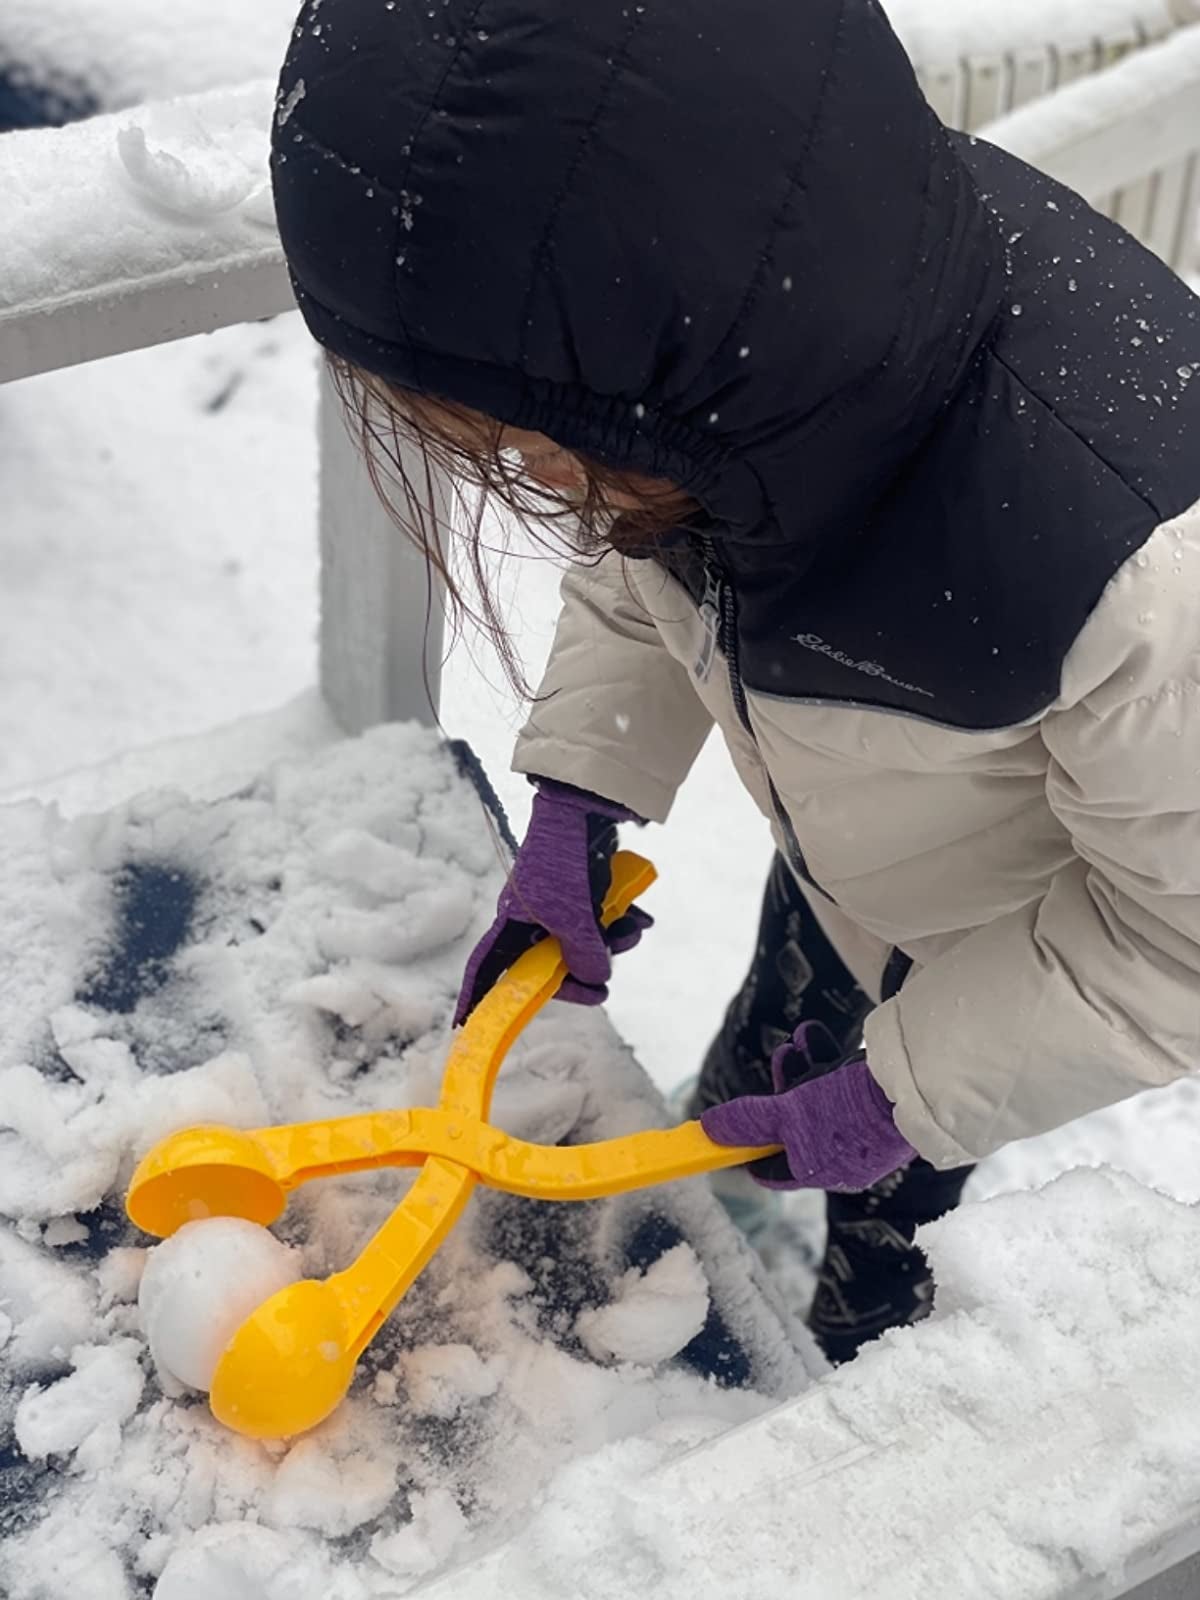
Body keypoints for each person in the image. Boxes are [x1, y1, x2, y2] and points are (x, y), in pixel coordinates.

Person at [271, 0, 1200, 1362]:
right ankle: (742, 1217)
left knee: (894, 1216)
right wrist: (581, 797)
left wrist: (906, 1094)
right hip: (854, 874)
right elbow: (657, 566)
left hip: (1011, 957)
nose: (537, 479)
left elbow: (1178, 942)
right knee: (767, 1063)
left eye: (537, 447)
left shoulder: (1139, 576)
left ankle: (856, 1350)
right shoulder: (749, 356)